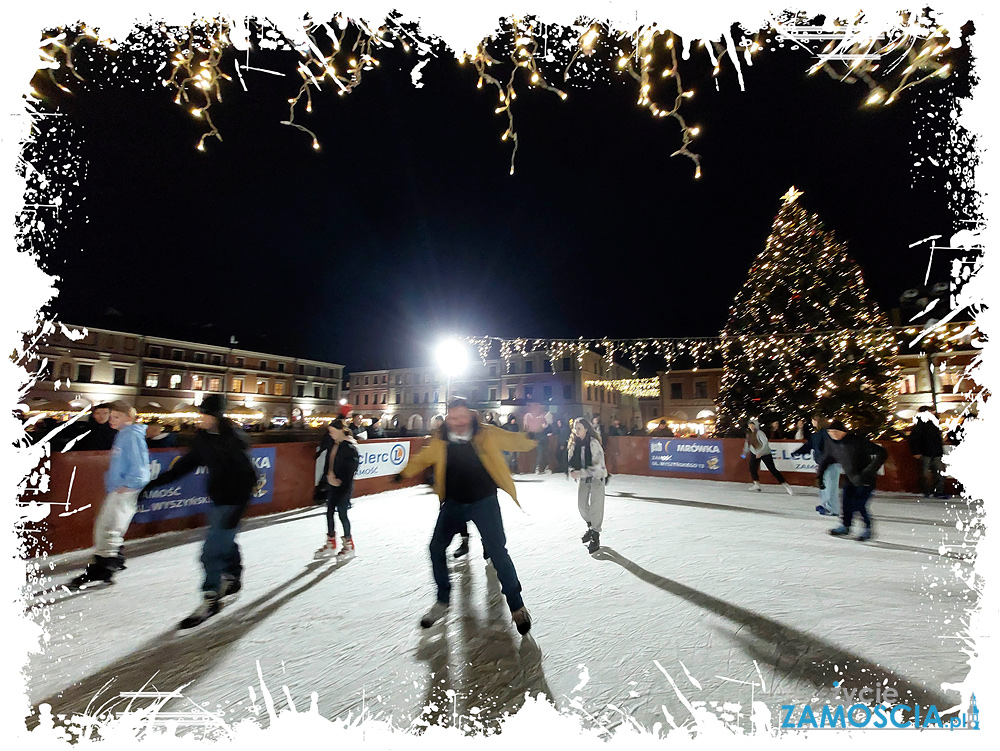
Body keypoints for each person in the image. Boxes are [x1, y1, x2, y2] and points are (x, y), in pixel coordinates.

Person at [395, 398, 536, 634]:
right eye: (453, 417)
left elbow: (515, 442)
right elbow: (424, 458)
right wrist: (403, 474)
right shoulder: (441, 439)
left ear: (470, 416)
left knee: (498, 553)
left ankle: (517, 607)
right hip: (453, 504)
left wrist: (533, 435)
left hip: (484, 502)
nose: (457, 422)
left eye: (461, 416)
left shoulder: (486, 434)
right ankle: (442, 600)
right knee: (435, 548)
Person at [140, 395, 259, 629]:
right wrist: (153, 484)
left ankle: (210, 598)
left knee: (210, 552)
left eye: (203, 414)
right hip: (218, 499)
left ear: (215, 416)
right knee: (224, 541)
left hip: (234, 501)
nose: (199, 418)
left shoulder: (232, 440)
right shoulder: (203, 439)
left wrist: (239, 509)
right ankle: (233, 576)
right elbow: (185, 466)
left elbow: (250, 477)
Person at [69, 401, 150, 589]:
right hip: (119, 488)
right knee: (107, 526)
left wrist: (129, 484)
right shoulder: (125, 434)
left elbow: (140, 466)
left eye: (116, 417)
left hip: (125, 489)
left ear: (129, 418)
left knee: (109, 527)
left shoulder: (131, 435)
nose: (111, 420)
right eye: (111, 417)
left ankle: (104, 567)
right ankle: (110, 561)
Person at [817, 421, 888, 541]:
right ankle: (845, 526)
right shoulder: (832, 444)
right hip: (850, 478)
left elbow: (882, 453)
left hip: (865, 479)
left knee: (859, 505)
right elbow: (826, 460)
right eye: (830, 432)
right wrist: (820, 476)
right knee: (846, 503)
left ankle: (867, 528)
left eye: (835, 432)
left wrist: (869, 471)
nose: (832, 435)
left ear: (842, 432)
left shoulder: (857, 441)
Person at [314, 418, 360, 560]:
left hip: (343, 487)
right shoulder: (336, 444)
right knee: (329, 513)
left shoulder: (349, 447)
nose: (331, 435)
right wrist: (326, 479)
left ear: (341, 431)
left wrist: (341, 482)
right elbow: (330, 463)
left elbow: (351, 469)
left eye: (333, 432)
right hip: (332, 485)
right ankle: (331, 542)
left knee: (342, 514)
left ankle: (349, 545)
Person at [569, 418, 608, 554]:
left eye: (579, 428)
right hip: (584, 478)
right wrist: (572, 470)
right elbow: (570, 461)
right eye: (575, 428)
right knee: (582, 504)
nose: (576, 431)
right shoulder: (575, 444)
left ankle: (595, 535)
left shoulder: (593, 443)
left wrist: (581, 472)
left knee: (596, 506)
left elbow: (599, 466)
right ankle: (591, 527)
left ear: (586, 429)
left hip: (597, 477)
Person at [791, 413, 841, 515]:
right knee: (824, 486)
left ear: (818, 421)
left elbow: (810, 446)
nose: (812, 422)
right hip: (824, 464)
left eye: (813, 420)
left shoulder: (826, 434)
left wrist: (797, 452)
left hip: (830, 463)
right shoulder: (818, 435)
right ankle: (825, 505)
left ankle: (832, 509)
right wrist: (797, 452)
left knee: (830, 487)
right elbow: (809, 446)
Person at [742, 418, 794, 494]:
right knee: (752, 468)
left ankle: (785, 485)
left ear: (756, 425)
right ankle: (756, 484)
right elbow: (747, 444)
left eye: (753, 425)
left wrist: (760, 452)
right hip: (754, 453)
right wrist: (744, 452)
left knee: (772, 469)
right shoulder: (749, 434)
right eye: (750, 425)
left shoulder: (760, 433)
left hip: (765, 453)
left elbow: (765, 443)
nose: (751, 426)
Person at [908, 407, 947, 498]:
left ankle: (934, 491)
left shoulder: (930, 424)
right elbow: (914, 439)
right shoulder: (922, 425)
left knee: (935, 472)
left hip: (931, 451)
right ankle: (932, 491)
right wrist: (916, 451)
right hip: (927, 452)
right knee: (930, 473)